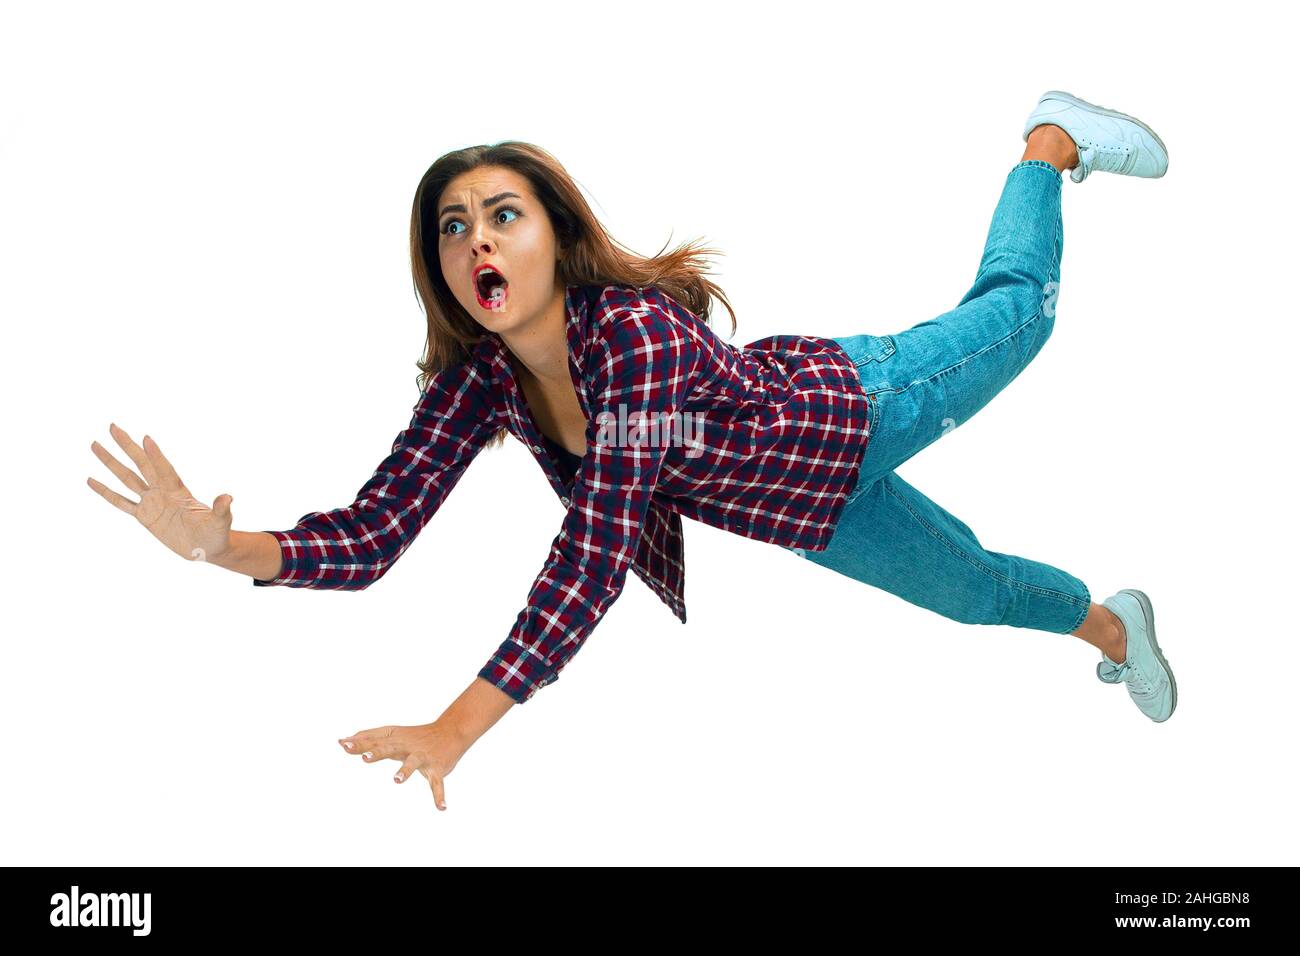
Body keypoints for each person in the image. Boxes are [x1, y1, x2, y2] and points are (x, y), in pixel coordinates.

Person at [87, 90, 1177, 813]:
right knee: (975, 591)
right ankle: (1113, 623)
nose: (476, 240)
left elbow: (595, 550)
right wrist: (225, 547)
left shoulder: (634, 336)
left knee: (1021, 309)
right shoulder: (482, 383)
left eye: (500, 214)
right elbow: (375, 532)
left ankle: (1048, 142)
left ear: (552, 236)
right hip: (801, 507)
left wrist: (458, 725)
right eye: (452, 226)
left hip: (858, 403)